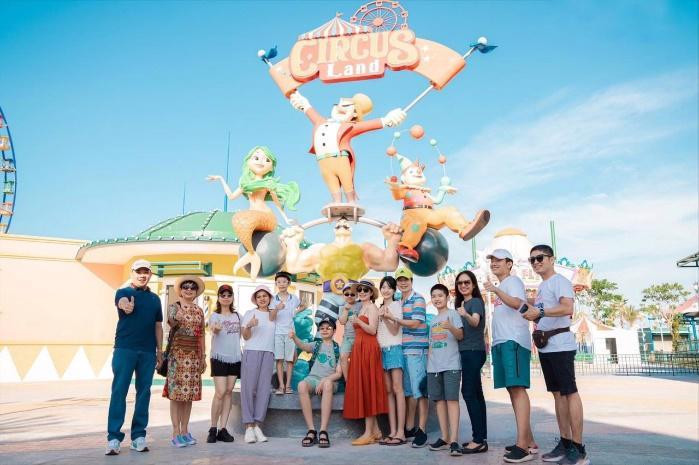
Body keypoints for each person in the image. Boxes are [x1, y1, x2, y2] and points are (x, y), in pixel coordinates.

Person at [522, 245, 588, 465]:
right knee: (558, 395)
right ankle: (565, 442)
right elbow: (541, 309)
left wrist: (540, 311)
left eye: (540, 258)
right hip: (547, 346)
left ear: (552, 259)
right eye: (532, 259)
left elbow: (567, 308)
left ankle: (578, 449)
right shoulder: (543, 286)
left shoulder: (560, 281)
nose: (536, 262)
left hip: (560, 345)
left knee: (570, 392)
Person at [289, 90, 406, 203]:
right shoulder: (320, 122)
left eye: (346, 106)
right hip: (323, 160)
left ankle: (351, 201)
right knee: (330, 181)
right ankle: (336, 201)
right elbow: (309, 109)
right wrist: (301, 101)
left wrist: (387, 120)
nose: (340, 107)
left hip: (340, 158)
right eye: (338, 105)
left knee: (346, 181)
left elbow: (369, 125)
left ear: (354, 113)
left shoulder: (349, 126)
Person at [207, 145, 300, 280]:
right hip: (253, 218)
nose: (261, 162)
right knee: (240, 219)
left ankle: (251, 254)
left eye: (266, 160)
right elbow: (231, 197)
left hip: (266, 217)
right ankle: (252, 253)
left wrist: (285, 218)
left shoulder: (268, 183)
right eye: (256, 158)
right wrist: (221, 179)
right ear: (248, 162)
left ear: (271, 167)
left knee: (241, 219)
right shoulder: (245, 184)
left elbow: (276, 202)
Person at [483, 249, 537, 463]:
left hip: (513, 340)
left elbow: (518, 304)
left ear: (509, 263)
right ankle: (529, 441)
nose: (494, 263)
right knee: (512, 389)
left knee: (517, 389)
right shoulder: (503, 285)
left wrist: (496, 289)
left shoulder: (512, 281)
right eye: (492, 260)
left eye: (498, 260)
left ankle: (522, 446)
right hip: (501, 341)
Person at [106, 259, 162, 456]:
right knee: (119, 391)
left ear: (150, 275)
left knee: (144, 393)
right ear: (132, 273)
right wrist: (126, 306)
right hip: (125, 349)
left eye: (146, 272)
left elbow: (158, 325)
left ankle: (138, 436)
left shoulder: (155, 299)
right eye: (139, 271)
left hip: (148, 352)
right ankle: (113, 438)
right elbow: (122, 303)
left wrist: (160, 351)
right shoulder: (123, 292)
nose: (142, 275)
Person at [380, 267, 429, 448]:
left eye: (405, 279)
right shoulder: (400, 301)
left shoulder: (418, 299)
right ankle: (409, 428)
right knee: (408, 391)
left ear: (411, 281)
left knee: (419, 391)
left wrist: (393, 318)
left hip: (416, 350)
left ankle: (422, 430)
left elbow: (415, 323)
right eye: (400, 280)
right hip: (403, 349)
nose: (403, 283)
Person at [163, 275, 207, 448]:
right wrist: (177, 317)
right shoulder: (174, 307)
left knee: (188, 396)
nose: (189, 290)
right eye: (185, 287)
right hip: (177, 356)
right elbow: (171, 323)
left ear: (196, 292)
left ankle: (185, 430)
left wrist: (203, 357)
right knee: (176, 396)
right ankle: (175, 432)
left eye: (192, 287)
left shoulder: (199, 311)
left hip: (194, 357)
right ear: (180, 291)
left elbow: (201, 334)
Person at [343, 280, 388, 445]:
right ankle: (375, 431)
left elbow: (372, 330)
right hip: (360, 348)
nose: (361, 292)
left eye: (365, 290)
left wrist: (359, 321)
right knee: (364, 386)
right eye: (360, 290)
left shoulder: (372, 308)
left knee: (368, 388)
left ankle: (369, 433)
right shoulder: (361, 308)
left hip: (368, 348)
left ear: (371, 293)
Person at [290, 318, 343, 448]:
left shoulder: (339, 349)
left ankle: (323, 430)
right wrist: (294, 337)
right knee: (302, 385)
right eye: (322, 328)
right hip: (313, 379)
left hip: (330, 380)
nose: (324, 330)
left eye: (328, 328)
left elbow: (339, 373)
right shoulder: (316, 345)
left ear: (334, 331)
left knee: (328, 385)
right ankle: (311, 430)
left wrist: (325, 379)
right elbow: (303, 346)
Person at [426, 284, 464, 456]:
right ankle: (445, 437)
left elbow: (460, 335)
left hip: (451, 365)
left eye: (440, 295)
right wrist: (429, 364)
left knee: (452, 400)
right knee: (439, 401)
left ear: (447, 297)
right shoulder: (433, 320)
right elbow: (431, 344)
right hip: (434, 366)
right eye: (434, 296)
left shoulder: (453, 314)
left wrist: (451, 327)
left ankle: (454, 440)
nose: (437, 299)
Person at [454, 270, 488, 454]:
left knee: (467, 392)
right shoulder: (462, 304)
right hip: (469, 352)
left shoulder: (474, 302)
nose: (463, 285)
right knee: (476, 394)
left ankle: (478, 439)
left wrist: (464, 314)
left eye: (467, 282)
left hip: (473, 352)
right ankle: (480, 438)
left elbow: (475, 322)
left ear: (473, 284)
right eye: (460, 283)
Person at [240, 284, 277, 443]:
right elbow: (245, 337)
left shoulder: (273, 315)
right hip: (252, 352)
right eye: (259, 296)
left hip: (268, 353)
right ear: (255, 299)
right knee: (248, 389)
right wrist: (249, 325)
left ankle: (257, 426)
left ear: (269, 298)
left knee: (263, 390)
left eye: (265, 296)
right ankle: (248, 427)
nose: (262, 299)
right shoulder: (250, 313)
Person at [206, 284, 240, 444]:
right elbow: (213, 328)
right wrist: (216, 328)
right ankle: (213, 428)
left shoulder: (237, 316)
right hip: (219, 357)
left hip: (235, 357)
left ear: (232, 297)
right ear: (219, 298)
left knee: (228, 391)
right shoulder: (215, 316)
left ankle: (223, 429)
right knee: (220, 392)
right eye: (223, 295)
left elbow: (245, 332)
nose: (226, 298)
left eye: (229, 295)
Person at [377, 276, 407, 446]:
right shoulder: (380, 307)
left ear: (394, 290)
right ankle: (392, 431)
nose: (386, 290)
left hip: (394, 349)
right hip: (382, 351)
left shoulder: (396, 305)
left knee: (397, 389)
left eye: (389, 287)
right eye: (383, 287)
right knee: (388, 391)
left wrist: (386, 317)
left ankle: (401, 432)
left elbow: (395, 331)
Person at [272, 271, 302, 394]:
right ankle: (281, 386)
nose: (281, 284)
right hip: (277, 333)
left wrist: (295, 312)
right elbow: (271, 316)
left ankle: (288, 386)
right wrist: (277, 308)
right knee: (279, 360)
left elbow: (302, 305)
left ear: (288, 283)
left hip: (290, 333)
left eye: (284, 282)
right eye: (279, 282)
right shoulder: (273, 299)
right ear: (276, 284)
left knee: (290, 360)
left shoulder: (294, 298)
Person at [338, 282, 362, 381]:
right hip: (347, 337)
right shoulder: (342, 307)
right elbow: (342, 322)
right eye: (347, 294)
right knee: (343, 357)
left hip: (359, 337)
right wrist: (346, 310)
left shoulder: (361, 305)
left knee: (358, 360)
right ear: (343, 295)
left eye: (352, 294)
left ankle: (358, 380)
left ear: (356, 295)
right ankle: (347, 381)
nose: (349, 296)